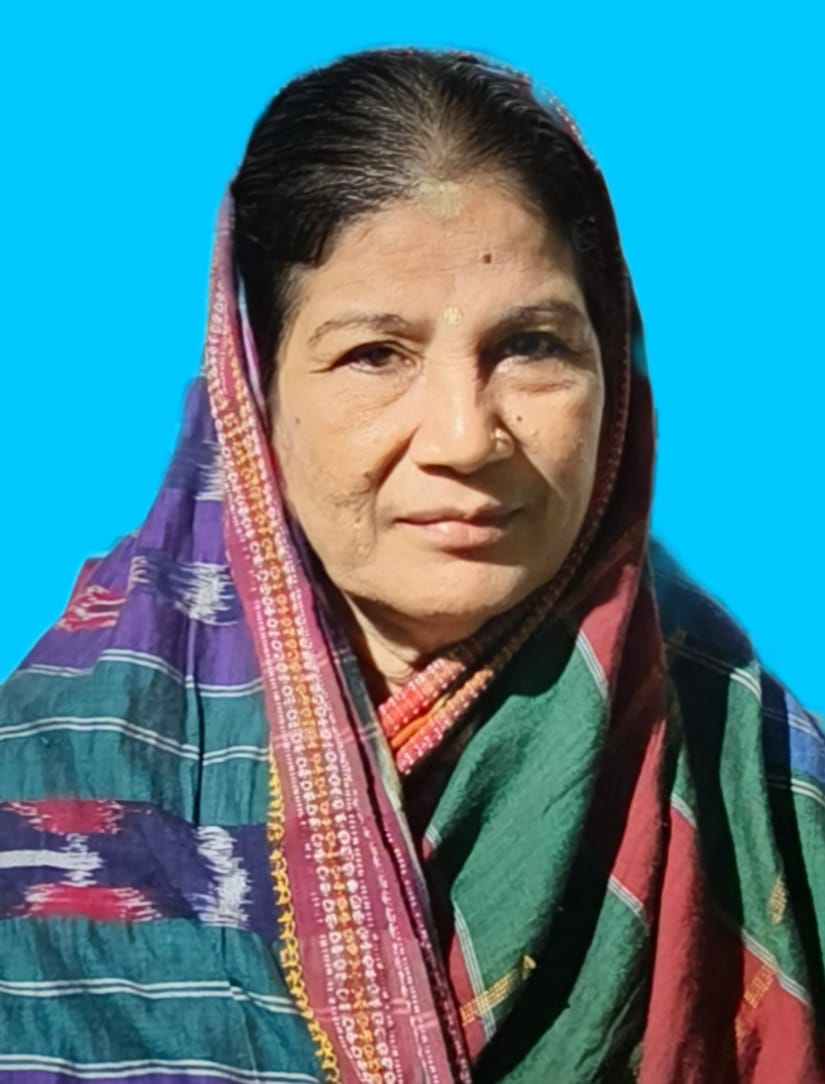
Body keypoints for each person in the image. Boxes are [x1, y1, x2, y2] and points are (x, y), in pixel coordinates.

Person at [0, 47, 822, 1084]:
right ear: (254, 394)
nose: (465, 438)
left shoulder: (758, 781)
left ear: (614, 366)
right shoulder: (44, 785)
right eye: (375, 355)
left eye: (531, 345)